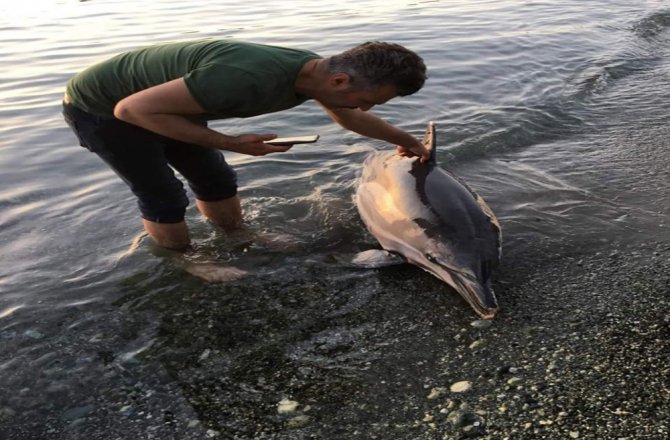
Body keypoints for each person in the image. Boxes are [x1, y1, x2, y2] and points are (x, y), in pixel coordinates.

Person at [63, 39, 429, 250]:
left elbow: (348, 115)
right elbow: (129, 110)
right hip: (102, 109)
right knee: (162, 193)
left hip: (158, 104)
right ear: (340, 80)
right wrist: (230, 141)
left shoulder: (315, 77)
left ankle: (236, 235)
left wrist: (406, 141)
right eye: (370, 100)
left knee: (215, 179)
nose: (365, 108)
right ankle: (187, 260)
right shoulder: (246, 78)